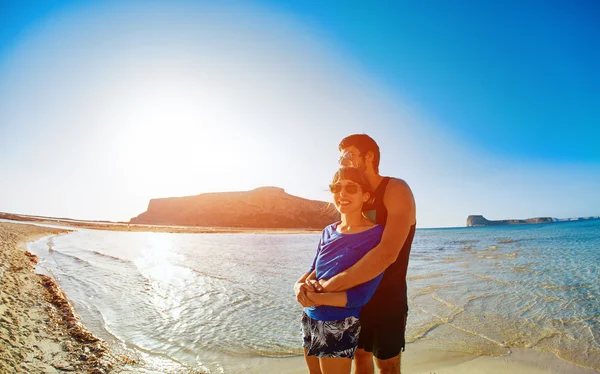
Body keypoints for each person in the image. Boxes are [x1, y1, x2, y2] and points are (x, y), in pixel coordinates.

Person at [302, 134, 416, 374]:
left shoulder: (395, 189)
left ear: (369, 157)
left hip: (386, 297)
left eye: (348, 155)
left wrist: (328, 287)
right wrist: (306, 283)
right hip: (349, 297)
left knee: (387, 365)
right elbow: (338, 248)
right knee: (359, 359)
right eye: (341, 156)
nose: (343, 162)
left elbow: (386, 253)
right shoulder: (354, 196)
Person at [295, 167, 385, 374]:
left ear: (366, 196)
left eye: (351, 188)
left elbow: (361, 295)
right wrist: (298, 286)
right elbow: (313, 270)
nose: (342, 193)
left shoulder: (376, 235)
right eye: (336, 188)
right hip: (309, 315)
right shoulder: (328, 230)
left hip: (339, 321)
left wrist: (319, 298)